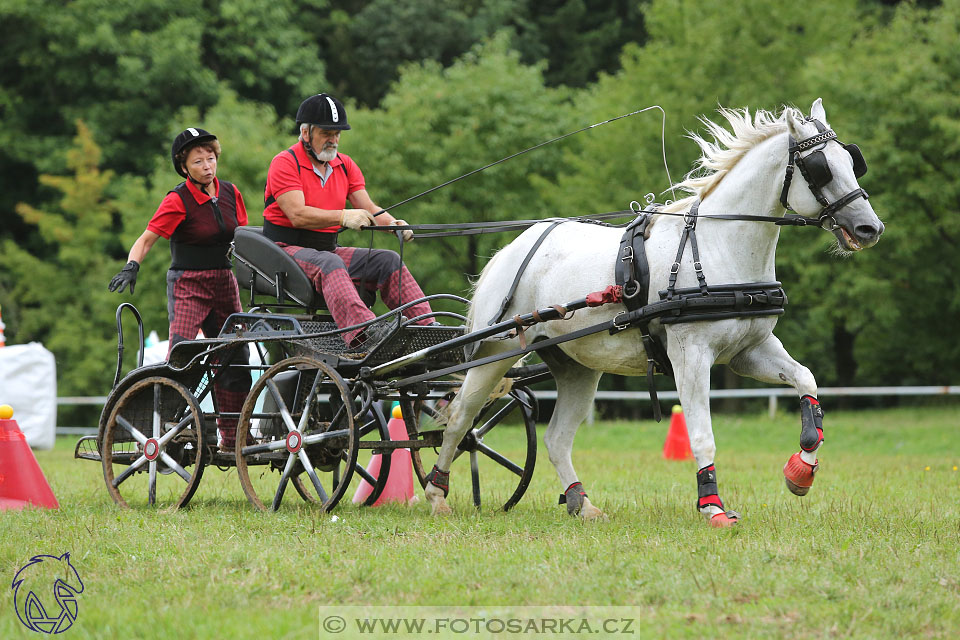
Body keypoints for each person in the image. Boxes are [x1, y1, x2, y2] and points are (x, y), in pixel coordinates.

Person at [108, 128, 251, 451]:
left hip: (224, 280)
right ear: (184, 167)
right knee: (183, 352)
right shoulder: (178, 199)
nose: (207, 166)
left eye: (210, 158)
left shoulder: (231, 192)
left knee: (235, 355)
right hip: (189, 282)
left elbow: (243, 238)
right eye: (198, 161)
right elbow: (147, 239)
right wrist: (132, 265)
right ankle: (171, 426)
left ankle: (234, 435)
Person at [263, 93, 436, 347]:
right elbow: (297, 215)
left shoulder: (345, 165)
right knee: (329, 262)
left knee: (388, 260)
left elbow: (367, 207)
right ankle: (366, 335)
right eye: (326, 133)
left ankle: (429, 328)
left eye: (338, 133)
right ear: (306, 133)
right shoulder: (285, 164)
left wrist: (394, 225)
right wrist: (343, 216)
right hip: (286, 250)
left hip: (325, 248)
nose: (333, 139)